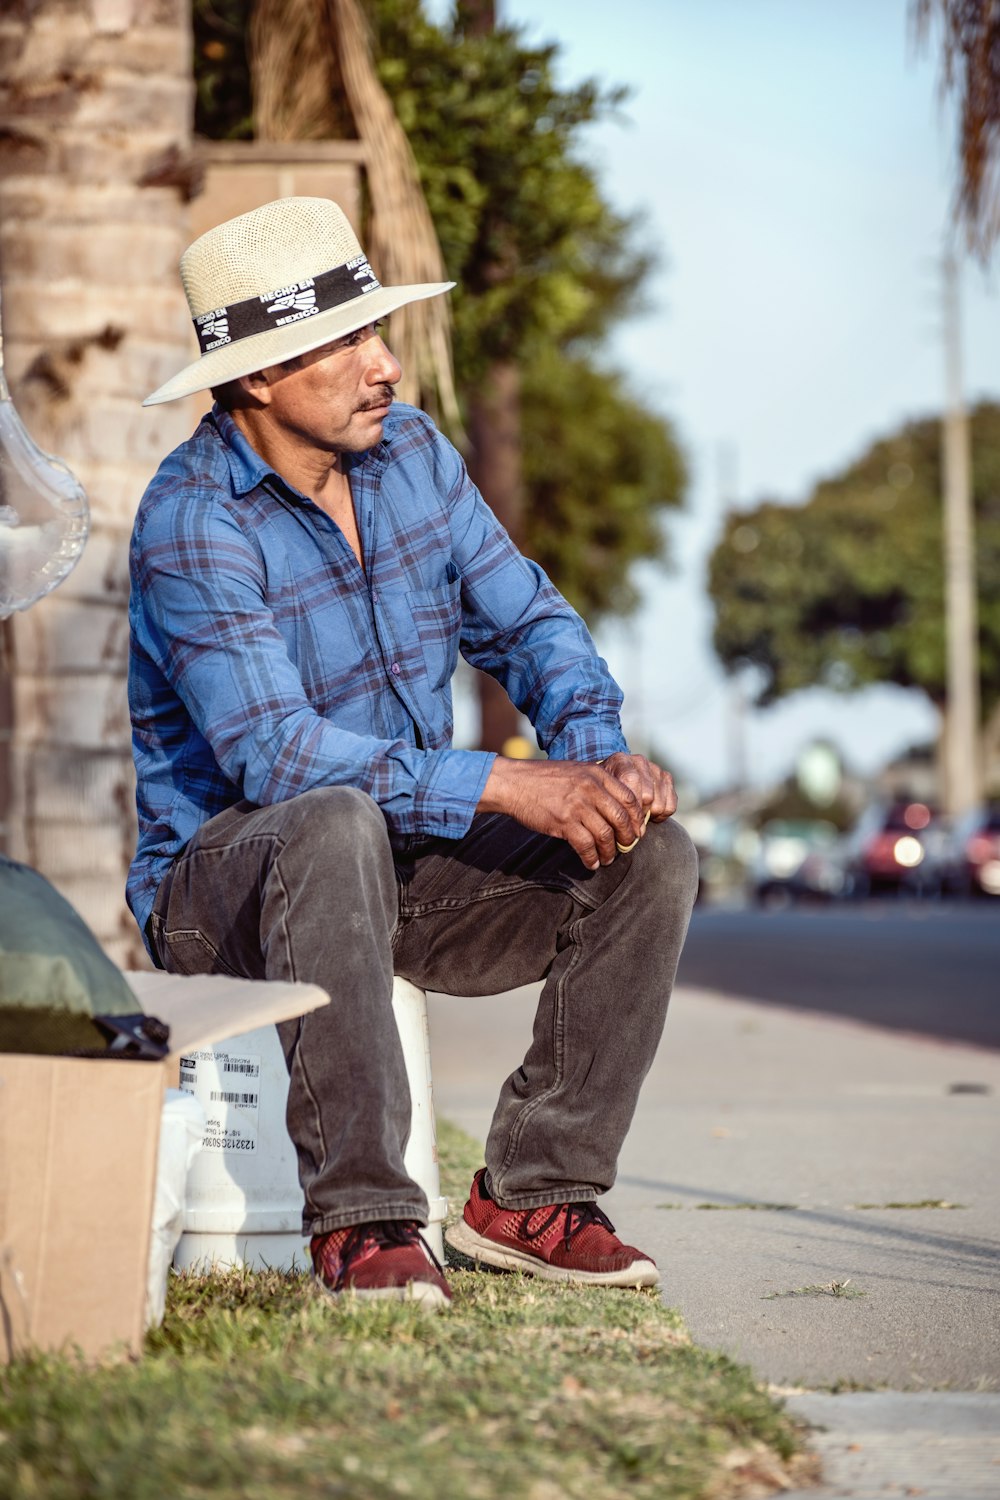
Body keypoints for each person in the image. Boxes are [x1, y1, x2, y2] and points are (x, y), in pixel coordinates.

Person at [129, 196, 699, 1311]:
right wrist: (503, 781)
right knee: (334, 816)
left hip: (396, 866)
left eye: (374, 331)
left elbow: (531, 625)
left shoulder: (414, 460)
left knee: (650, 855)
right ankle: (365, 1222)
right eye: (346, 342)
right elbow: (274, 756)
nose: (383, 363)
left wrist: (596, 767)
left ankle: (533, 1198)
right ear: (257, 378)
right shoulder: (192, 522)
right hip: (224, 886)